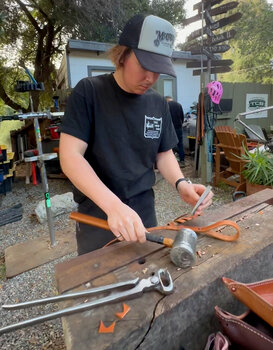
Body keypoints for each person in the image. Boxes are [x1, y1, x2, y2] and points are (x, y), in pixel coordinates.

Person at [59, 13, 214, 255]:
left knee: (146, 277)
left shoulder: (157, 103)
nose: (150, 78)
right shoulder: (89, 92)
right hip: (98, 213)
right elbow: (70, 156)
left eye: (158, 70)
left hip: (143, 212)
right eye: (144, 66)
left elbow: (163, 153)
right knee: (97, 285)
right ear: (122, 55)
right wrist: (113, 205)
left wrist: (181, 183)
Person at [166, 96, 185, 166]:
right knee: (180, 144)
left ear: (166, 100)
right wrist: (180, 124)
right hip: (178, 127)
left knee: (169, 145)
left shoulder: (166, 105)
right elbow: (182, 117)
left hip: (169, 128)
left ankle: (171, 162)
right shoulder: (178, 105)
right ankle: (182, 160)